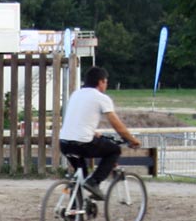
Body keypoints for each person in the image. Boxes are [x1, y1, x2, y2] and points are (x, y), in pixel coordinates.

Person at [59, 66, 141, 200]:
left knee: (81, 176)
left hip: (64, 143)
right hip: (83, 143)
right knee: (114, 150)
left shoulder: (76, 94)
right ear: (101, 82)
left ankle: (74, 212)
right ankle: (95, 182)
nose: (106, 85)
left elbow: (79, 118)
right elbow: (116, 123)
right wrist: (131, 139)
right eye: (106, 82)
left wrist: (93, 132)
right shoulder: (101, 98)